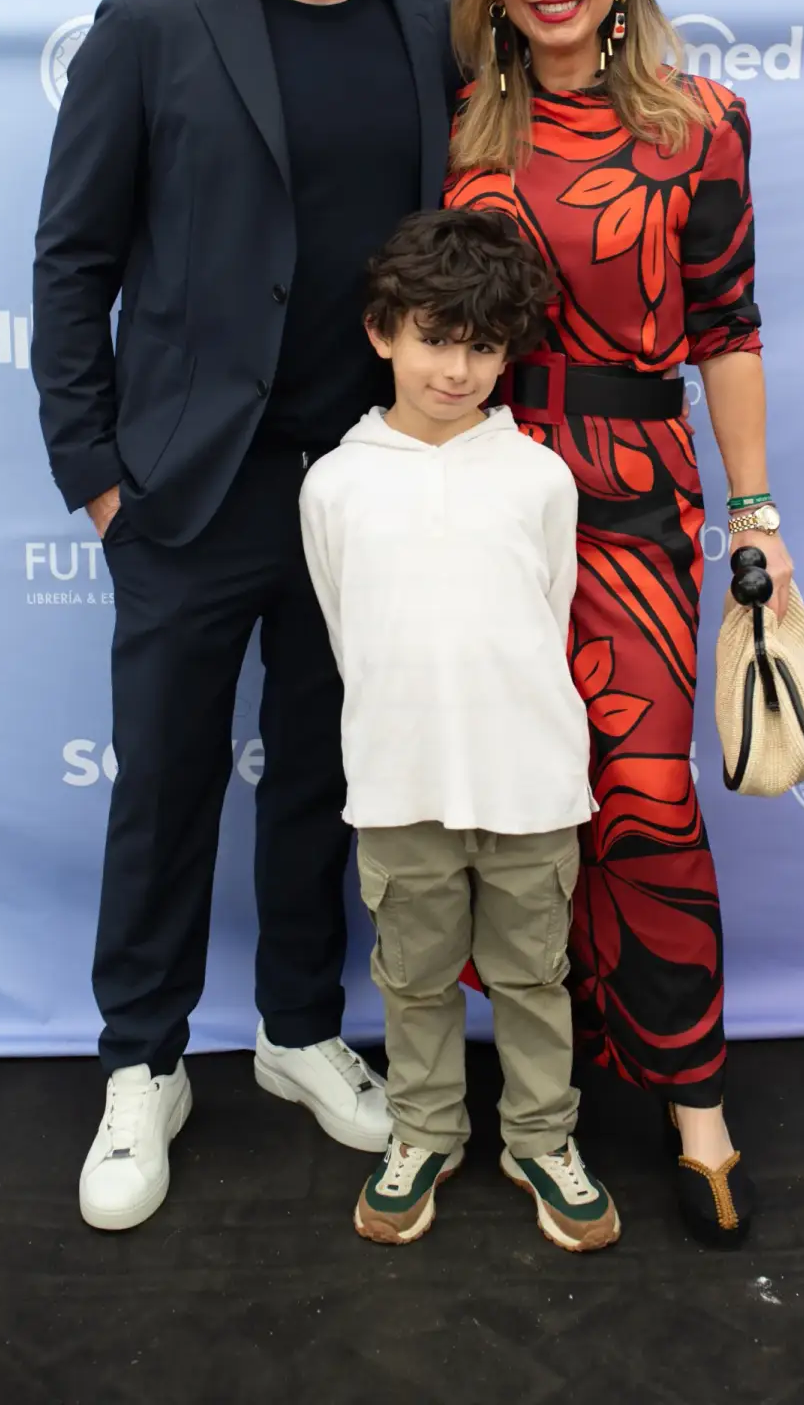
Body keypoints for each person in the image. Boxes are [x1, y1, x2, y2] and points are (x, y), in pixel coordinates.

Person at [32, 0, 459, 1231]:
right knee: (163, 786)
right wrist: (97, 474)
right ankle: (141, 1063)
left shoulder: (435, 26)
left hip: (369, 491)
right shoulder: (152, 25)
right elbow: (74, 261)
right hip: (188, 492)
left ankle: (296, 1031)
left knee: (327, 784)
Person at [444, 0, 793, 1247]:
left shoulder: (701, 123)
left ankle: (694, 1101)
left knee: (645, 795)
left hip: (635, 493)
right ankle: (549, 1088)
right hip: (476, 490)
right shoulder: (458, 126)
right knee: (516, 806)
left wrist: (755, 513)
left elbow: (727, 327)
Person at [299, 209, 621, 1253]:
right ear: (381, 332)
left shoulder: (536, 475)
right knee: (413, 978)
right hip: (400, 783)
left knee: (533, 977)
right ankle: (424, 1133)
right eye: (435, 339)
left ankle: (542, 1138)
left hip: (530, 782)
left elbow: (547, 611)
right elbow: (348, 630)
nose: (458, 369)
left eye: (483, 347)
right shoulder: (335, 482)